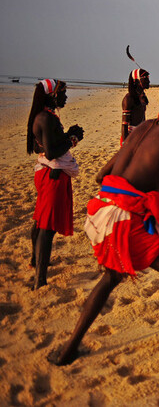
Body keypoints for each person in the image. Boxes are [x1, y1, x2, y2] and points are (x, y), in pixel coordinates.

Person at [51, 78, 159, 385]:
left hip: (103, 215)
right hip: (128, 224)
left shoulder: (143, 128)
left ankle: (68, 350)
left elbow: (101, 174)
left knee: (109, 278)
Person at [27, 79, 84, 290]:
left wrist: (68, 135)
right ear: (53, 95)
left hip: (48, 173)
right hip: (52, 175)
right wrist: (73, 139)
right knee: (47, 227)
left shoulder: (44, 116)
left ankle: (36, 261)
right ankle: (40, 280)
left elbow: (39, 147)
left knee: (41, 220)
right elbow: (51, 152)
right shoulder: (46, 118)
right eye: (63, 93)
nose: (66, 97)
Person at [121, 68, 150, 145]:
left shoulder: (142, 97)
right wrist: (125, 144)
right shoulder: (129, 99)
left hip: (142, 135)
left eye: (148, 78)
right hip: (132, 137)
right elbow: (124, 124)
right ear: (137, 81)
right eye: (145, 78)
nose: (149, 81)